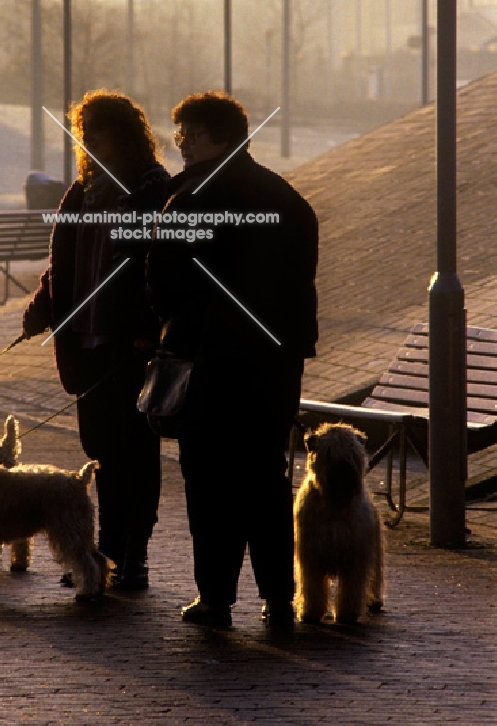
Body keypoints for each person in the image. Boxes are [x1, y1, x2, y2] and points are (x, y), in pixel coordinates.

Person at [147, 91, 318, 630]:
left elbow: (164, 286)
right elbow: (300, 284)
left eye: (191, 135)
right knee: (266, 477)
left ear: (222, 137)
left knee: (209, 482)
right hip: (274, 361)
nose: (182, 145)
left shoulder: (191, 200)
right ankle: (279, 599)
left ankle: (216, 598)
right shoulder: (286, 199)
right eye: (180, 135)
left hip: (209, 362)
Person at [22, 90, 171, 590]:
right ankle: (106, 549)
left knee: (135, 451)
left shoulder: (153, 189)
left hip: (128, 347)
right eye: (83, 132)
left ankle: (134, 552)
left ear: (123, 133)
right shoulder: (83, 191)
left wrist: (149, 330)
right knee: (100, 448)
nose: (87, 141)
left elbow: (161, 269)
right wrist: (42, 308)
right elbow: (60, 264)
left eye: (97, 131)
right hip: (84, 341)